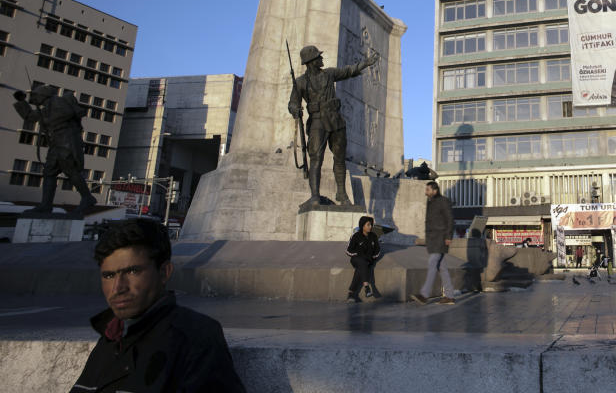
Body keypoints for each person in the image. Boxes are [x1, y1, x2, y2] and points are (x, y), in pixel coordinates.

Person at [71, 218, 246, 392]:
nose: (118, 288)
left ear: (164, 272)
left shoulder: (196, 336)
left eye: (133, 271)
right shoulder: (110, 337)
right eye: (109, 275)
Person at [288, 45, 378, 206]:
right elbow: (292, 103)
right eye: (318, 57)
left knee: (340, 158)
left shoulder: (329, 74)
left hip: (336, 120)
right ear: (312, 62)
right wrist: (296, 110)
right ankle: (315, 196)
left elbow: (348, 71)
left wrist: (366, 63)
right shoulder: (300, 82)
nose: (322, 59)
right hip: (317, 122)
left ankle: (342, 194)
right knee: (316, 159)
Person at [13, 85, 97, 216]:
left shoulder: (57, 101)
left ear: (43, 95)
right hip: (57, 142)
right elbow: (30, 116)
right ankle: (46, 205)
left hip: (66, 140)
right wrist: (21, 102)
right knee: (49, 172)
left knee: (70, 170)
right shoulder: (46, 108)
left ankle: (87, 197)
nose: (34, 98)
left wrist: (47, 121)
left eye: (35, 96)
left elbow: (67, 113)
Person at [410, 181, 456, 305]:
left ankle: (424, 295)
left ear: (435, 190)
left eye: (428, 190)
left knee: (432, 263)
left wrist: (448, 236)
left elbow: (450, 219)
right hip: (433, 239)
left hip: (440, 238)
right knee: (442, 268)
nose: (426, 192)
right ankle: (450, 296)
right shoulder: (430, 202)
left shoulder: (443, 201)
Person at [346, 215, 381, 302]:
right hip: (356, 259)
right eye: (368, 225)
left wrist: (372, 257)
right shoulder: (356, 236)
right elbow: (348, 251)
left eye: (371, 225)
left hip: (367, 261)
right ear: (362, 225)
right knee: (362, 262)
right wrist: (357, 254)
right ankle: (367, 287)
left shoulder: (373, 236)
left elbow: (377, 250)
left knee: (361, 268)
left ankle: (351, 294)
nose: (370, 227)